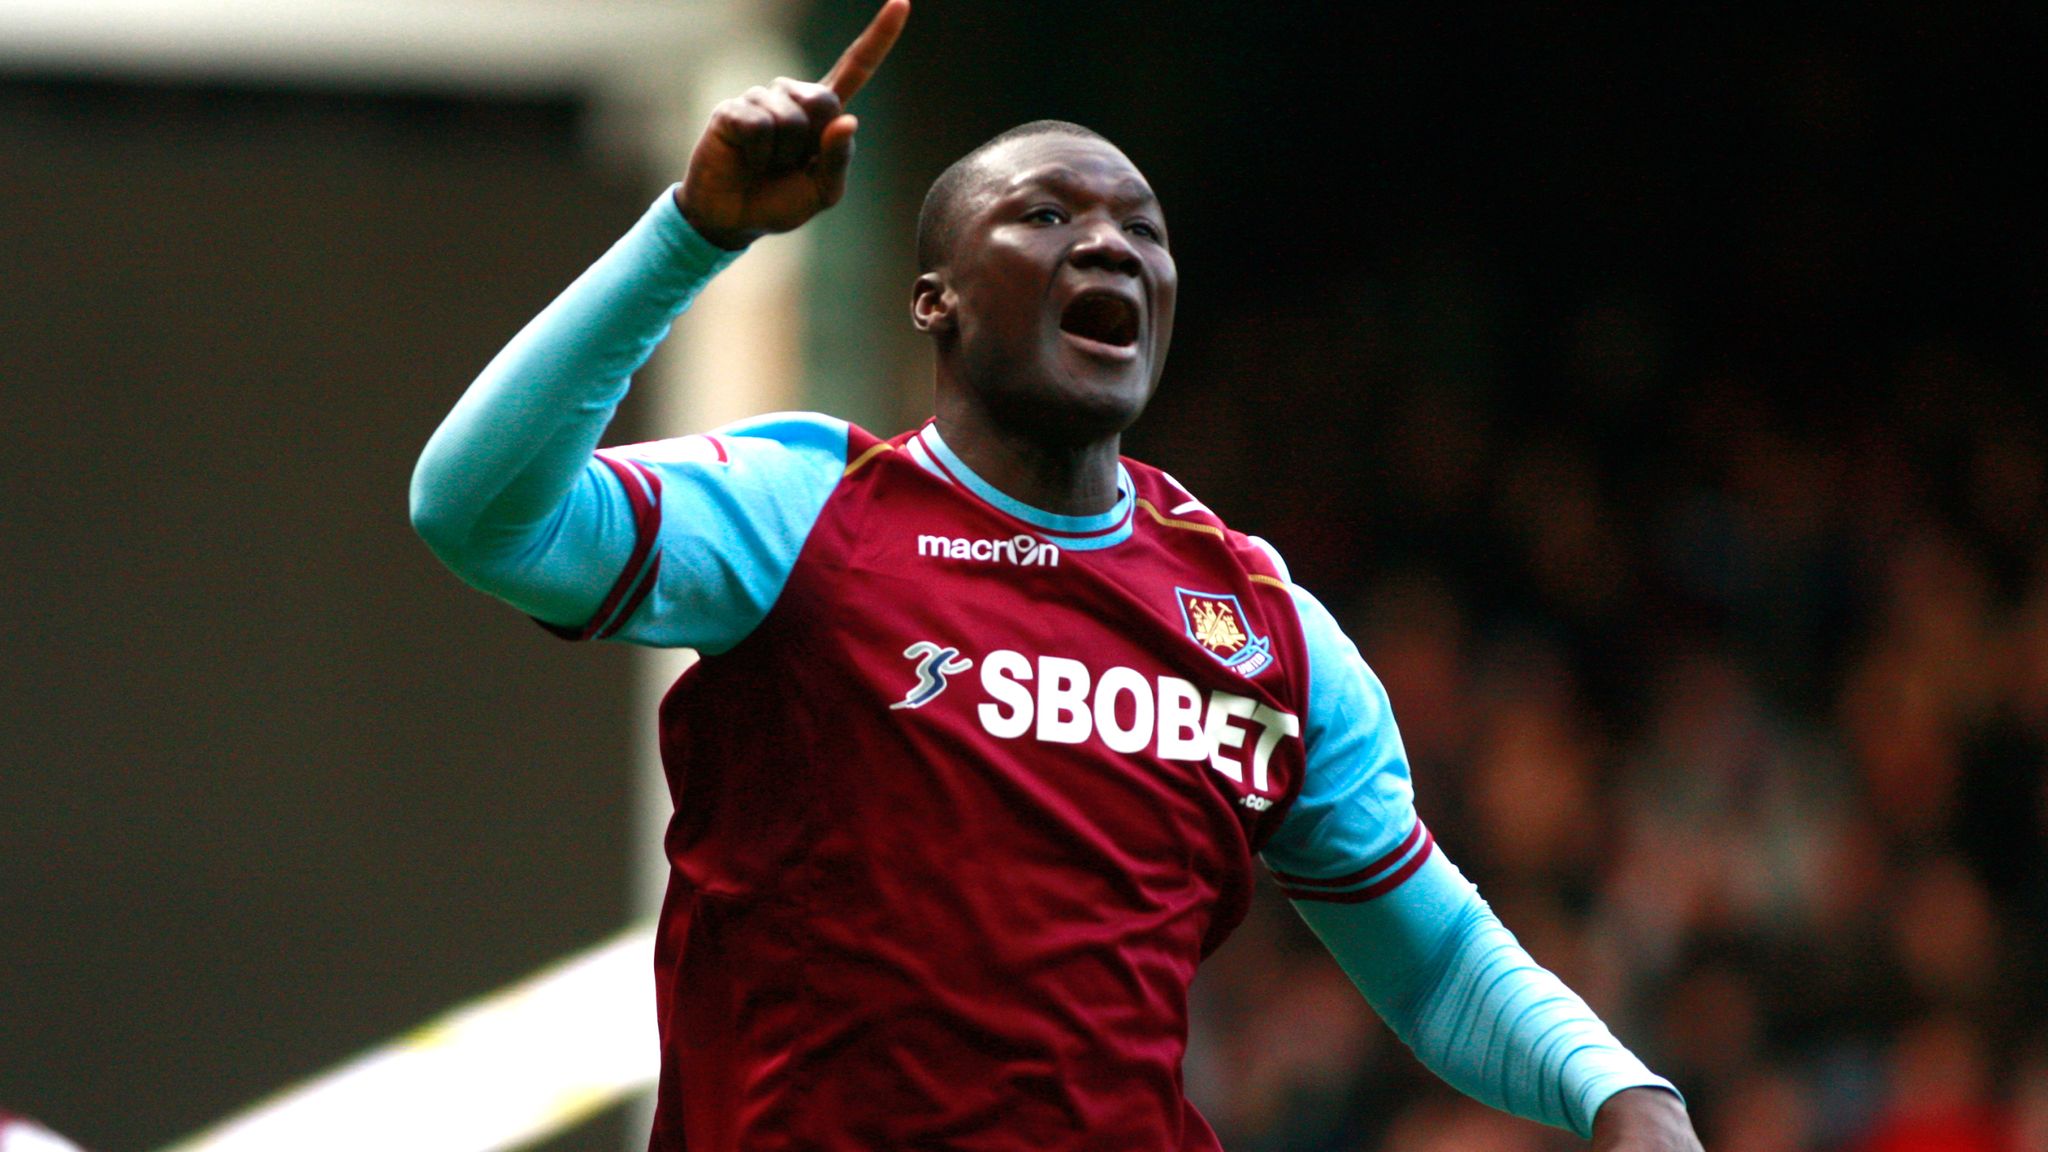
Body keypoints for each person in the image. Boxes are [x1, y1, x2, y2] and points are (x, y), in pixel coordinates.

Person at [410, 4, 1705, 1150]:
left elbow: (1432, 963)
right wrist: (691, 236)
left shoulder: (1264, 630)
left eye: (1142, 228)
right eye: (1045, 215)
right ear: (936, 300)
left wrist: (1616, 1089)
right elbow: (476, 513)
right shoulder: (808, 511)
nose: (1111, 245)